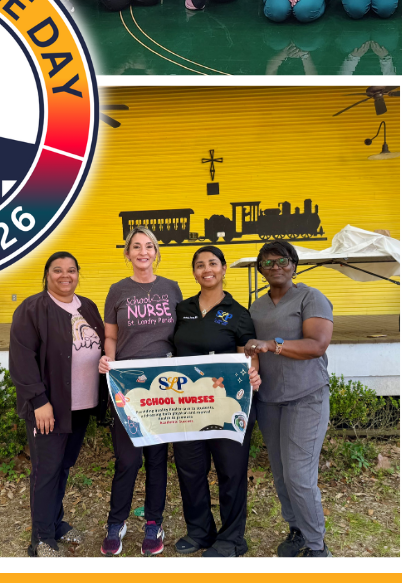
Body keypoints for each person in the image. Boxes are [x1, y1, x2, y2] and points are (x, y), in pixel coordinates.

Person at [241, 242, 335, 558]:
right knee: (281, 474)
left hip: (306, 398)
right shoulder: (256, 307)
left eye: (283, 260)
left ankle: (316, 546)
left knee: (299, 475)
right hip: (270, 401)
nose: (276, 266)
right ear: (261, 269)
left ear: (293, 265)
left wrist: (272, 344)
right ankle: (296, 528)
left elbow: (317, 344)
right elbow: (251, 348)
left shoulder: (311, 297)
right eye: (268, 262)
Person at [9, 252, 105, 557]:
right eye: (58, 270)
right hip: (49, 408)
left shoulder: (87, 306)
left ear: (79, 274)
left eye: (72, 270)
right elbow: (22, 359)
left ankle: (55, 521)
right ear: (47, 274)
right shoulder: (33, 309)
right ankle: (41, 538)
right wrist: (39, 401)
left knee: (63, 467)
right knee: (46, 470)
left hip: (81, 405)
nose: (66, 275)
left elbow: (100, 346)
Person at [97, 229, 183, 557]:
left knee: (157, 459)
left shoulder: (171, 288)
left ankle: (153, 522)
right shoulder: (117, 290)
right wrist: (109, 361)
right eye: (137, 247)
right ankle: (116, 523)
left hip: (163, 386)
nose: (143, 252)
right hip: (128, 386)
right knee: (127, 460)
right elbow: (111, 337)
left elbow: (181, 335)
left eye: (149, 247)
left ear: (156, 252)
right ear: (128, 254)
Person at [169, 246, 259, 558]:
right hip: (187, 405)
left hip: (227, 405)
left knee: (231, 471)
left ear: (222, 269)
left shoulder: (238, 312)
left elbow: (248, 356)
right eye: (199, 265)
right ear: (194, 272)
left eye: (212, 264)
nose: (206, 269)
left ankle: (231, 539)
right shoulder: (183, 309)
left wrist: (253, 375)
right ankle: (199, 532)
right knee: (190, 469)